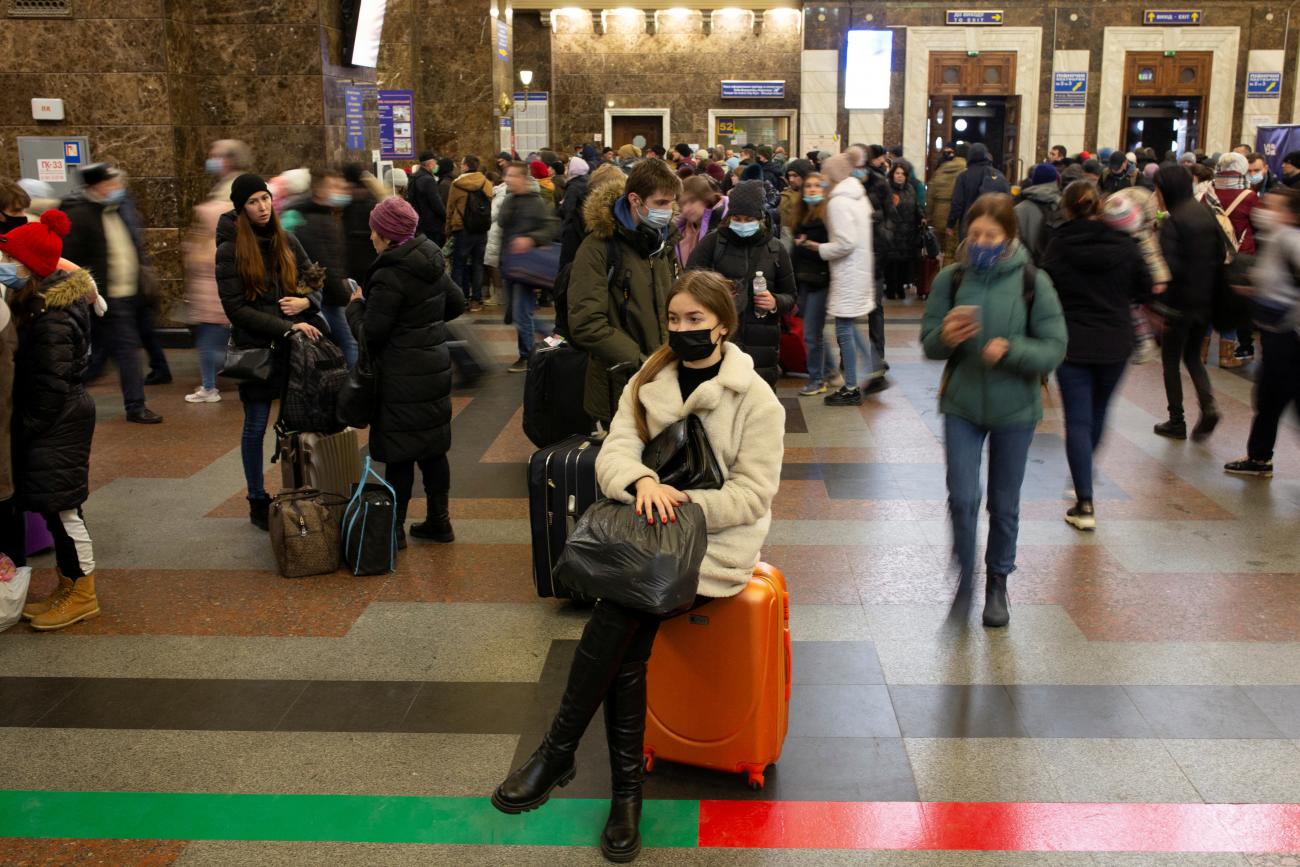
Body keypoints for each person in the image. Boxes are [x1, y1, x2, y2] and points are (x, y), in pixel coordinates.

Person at [492, 270, 784, 864]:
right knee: (628, 631)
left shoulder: (756, 399)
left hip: (711, 551)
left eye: (695, 321)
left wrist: (679, 503)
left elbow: (753, 495)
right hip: (646, 536)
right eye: (674, 320)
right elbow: (615, 452)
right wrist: (643, 482)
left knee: (621, 611)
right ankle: (621, 795)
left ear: (722, 325)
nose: (682, 330)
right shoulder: (649, 379)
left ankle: (563, 752)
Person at [920, 193, 1067, 627]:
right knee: (963, 497)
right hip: (962, 404)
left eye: (991, 235)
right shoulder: (952, 278)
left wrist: (1013, 350)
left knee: (1004, 503)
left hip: (1015, 409)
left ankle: (997, 582)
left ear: (1009, 237)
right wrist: (945, 335)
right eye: (975, 234)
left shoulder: (1032, 281)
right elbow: (929, 343)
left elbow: (1054, 348)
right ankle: (966, 576)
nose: (981, 242)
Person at [1, 211, 102, 631]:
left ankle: (82, 593)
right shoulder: (42, 303)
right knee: (55, 508)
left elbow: (49, 385)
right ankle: (68, 583)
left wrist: (20, 428)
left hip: (58, 420)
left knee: (64, 512)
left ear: (29, 268)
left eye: (10, 259)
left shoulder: (51, 317)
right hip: (59, 418)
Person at [347, 196, 464, 546]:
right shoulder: (428, 259)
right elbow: (455, 303)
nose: (370, 236)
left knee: (399, 453)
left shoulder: (390, 273)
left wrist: (355, 308)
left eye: (374, 230)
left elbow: (372, 333)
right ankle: (439, 522)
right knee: (432, 449)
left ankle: (394, 530)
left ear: (386, 235)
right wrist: (421, 326)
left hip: (399, 375)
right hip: (433, 368)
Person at [1041, 181, 1152, 530]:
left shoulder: (1058, 245)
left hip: (1072, 341)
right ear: (1099, 207)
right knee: (1100, 411)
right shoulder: (1125, 244)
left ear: (1068, 209)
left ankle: (1084, 501)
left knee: (1077, 419)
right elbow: (1145, 288)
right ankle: (1083, 475)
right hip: (1115, 341)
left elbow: (1046, 289)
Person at [216, 174, 320, 530]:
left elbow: (315, 281)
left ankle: (298, 491)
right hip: (257, 350)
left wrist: (307, 300)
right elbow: (236, 310)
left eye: (264, 199)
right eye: (252, 202)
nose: (262, 208)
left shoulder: (286, 240)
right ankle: (256, 498)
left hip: (293, 352)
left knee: (295, 425)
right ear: (240, 208)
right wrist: (286, 326)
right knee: (256, 425)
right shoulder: (230, 250)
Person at [567, 158, 681, 424]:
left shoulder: (663, 242)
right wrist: (642, 362)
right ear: (635, 199)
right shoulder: (599, 248)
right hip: (618, 386)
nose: (668, 210)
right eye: (661, 203)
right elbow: (586, 323)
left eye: (671, 202)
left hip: (664, 381)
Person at [59, 163, 164, 424]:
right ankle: (136, 406)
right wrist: (87, 293)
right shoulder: (81, 215)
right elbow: (71, 259)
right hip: (105, 296)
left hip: (127, 294)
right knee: (126, 351)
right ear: (97, 186)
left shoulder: (116, 209)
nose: (117, 187)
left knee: (100, 357)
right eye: (111, 183)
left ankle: (64, 398)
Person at [686, 180, 796, 387]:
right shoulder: (713, 243)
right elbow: (690, 280)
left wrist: (775, 302)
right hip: (721, 337)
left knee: (760, 406)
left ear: (761, 218)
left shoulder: (776, 249)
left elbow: (790, 296)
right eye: (737, 218)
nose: (742, 224)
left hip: (762, 344)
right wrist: (716, 290)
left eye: (749, 219)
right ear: (729, 217)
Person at [1225, 190, 1300, 477]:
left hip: (1288, 336)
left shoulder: (1290, 239)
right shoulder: (1278, 239)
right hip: (1278, 333)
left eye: (1273, 207)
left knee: (1272, 398)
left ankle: (1259, 458)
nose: (1264, 210)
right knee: (1270, 398)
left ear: (1291, 213)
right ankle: (1258, 457)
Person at [798, 153, 882, 405]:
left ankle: (851, 387)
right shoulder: (858, 195)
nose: (821, 179)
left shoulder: (838, 202)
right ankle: (871, 372)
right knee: (848, 327)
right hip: (860, 270)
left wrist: (818, 248)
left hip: (847, 271)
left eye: (824, 173)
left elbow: (845, 243)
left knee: (844, 330)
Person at [1152, 165, 1224, 441]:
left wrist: (1160, 307)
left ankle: (1176, 420)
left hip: (1179, 305)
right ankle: (1208, 405)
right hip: (1205, 300)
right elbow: (1221, 253)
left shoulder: (1174, 220)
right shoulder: (1204, 211)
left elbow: (1170, 268)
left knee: (1170, 360)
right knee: (1193, 356)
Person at [181, 142, 248, 403]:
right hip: (214, 280)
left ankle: (213, 385)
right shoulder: (228, 188)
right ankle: (210, 384)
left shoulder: (229, 194)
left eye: (216, 156)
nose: (211, 160)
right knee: (215, 338)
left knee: (212, 340)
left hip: (215, 281)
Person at [285, 167, 358, 369]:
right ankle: (356, 387)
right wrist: (342, 295)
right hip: (328, 298)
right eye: (334, 187)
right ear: (319, 191)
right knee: (349, 343)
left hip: (325, 296)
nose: (340, 191)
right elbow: (323, 265)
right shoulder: (316, 222)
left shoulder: (323, 216)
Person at [498, 161, 559, 372]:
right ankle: (556, 338)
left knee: (522, 314)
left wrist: (531, 239)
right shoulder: (509, 201)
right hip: (512, 266)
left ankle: (527, 356)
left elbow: (550, 229)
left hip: (527, 267)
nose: (507, 179)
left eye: (512, 176)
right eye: (506, 175)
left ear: (523, 178)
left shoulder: (536, 202)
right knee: (518, 314)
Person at [1213, 152, 1260, 366]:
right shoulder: (1248, 196)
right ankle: (1227, 355)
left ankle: (1203, 352)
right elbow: (1257, 226)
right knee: (1233, 303)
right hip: (1240, 256)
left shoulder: (1209, 191)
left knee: (1211, 301)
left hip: (1212, 256)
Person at [790, 172, 834, 396]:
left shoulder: (827, 217)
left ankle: (817, 379)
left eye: (818, 185)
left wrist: (809, 245)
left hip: (821, 280)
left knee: (811, 333)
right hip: (804, 280)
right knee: (814, 331)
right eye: (808, 185)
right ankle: (830, 371)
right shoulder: (801, 218)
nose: (812, 189)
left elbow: (832, 250)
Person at [445, 154, 494, 312]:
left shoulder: (456, 184)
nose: (460, 166)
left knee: (459, 265)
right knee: (478, 265)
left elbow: (450, 208)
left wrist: (448, 230)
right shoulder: (486, 183)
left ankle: (461, 299)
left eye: (461, 163)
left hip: (462, 229)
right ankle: (476, 300)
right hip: (481, 229)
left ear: (466, 166)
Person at [947, 143, 1010, 238]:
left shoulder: (963, 176)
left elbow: (957, 203)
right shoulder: (997, 174)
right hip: (993, 225)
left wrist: (950, 224)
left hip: (969, 225)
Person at [881, 160, 923, 299]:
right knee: (892, 262)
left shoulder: (910, 188)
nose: (900, 176)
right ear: (892, 174)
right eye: (897, 173)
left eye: (902, 174)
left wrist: (921, 217)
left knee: (904, 262)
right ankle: (891, 289)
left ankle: (900, 287)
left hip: (908, 231)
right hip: (892, 231)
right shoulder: (887, 189)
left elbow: (916, 206)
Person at [1014, 162, 1065, 266]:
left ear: (1034, 180)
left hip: (1027, 271)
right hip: (1057, 270)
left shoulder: (1018, 209)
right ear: (1056, 181)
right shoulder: (1065, 207)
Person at [674, 175, 727, 268]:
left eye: (692, 201)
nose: (686, 209)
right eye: (682, 204)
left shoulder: (723, 226)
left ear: (706, 199)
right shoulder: (680, 230)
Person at [927, 146, 966, 260]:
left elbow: (930, 193)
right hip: (954, 215)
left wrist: (929, 215)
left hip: (938, 214)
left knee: (940, 250)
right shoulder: (965, 170)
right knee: (952, 251)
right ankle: (948, 275)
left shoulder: (940, 170)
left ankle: (938, 272)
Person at [558, 155, 592, 268]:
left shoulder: (573, 187)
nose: (566, 169)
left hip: (573, 232)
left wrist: (561, 208)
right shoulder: (587, 183)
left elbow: (568, 210)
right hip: (584, 230)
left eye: (568, 166)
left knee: (567, 265)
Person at [407, 152, 446, 246]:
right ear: (430, 164)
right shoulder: (428, 180)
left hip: (418, 223)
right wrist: (445, 217)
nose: (436, 165)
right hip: (431, 226)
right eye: (435, 163)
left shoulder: (413, 177)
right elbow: (436, 203)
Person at [779, 158, 813, 234]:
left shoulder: (816, 195)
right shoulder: (786, 198)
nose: (791, 179)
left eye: (795, 175)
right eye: (789, 175)